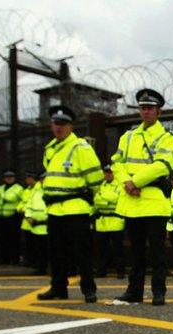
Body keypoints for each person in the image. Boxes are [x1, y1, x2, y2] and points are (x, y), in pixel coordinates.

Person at [110, 88, 173, 306]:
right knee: (136, 251)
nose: (146, 112)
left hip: (154, 202)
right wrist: (126, 182)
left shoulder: (167, 137)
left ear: (159, 111)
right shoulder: (128, 137)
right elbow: (116, 162)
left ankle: (159, 292)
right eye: (142, 108)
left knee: (157, 251)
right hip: (133, 201)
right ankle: (134, 291)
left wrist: (135, 181)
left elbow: (163, 166)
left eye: (150, 108)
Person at [36, 105, 104, 303]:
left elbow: (96, 179)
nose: (58, 128)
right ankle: (58, 288)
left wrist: (94, 204)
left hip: (76, 208)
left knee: (81, 253)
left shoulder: (80, 147)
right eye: (56, 124)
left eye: (63, 124)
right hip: (55, 209)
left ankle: (88, 289)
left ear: (71, 126)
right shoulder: (50, 148)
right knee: (56, 253)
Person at [92, 165, 126, 279]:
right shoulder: (101, 185)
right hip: (102, 222)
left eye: (109, 172)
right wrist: (106, 200)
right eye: (105, 172)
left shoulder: (119, 185)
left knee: (118, 249)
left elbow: (117, 198)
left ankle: (120, 271)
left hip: (116, 221)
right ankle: (101, 271)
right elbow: (96, 200)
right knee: (101, 249)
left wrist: (102, 197)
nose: (107, 174)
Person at [17, 171, 48, 275]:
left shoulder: (51, 190)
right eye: (42, 179)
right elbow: (29, 204)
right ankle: (40, 268)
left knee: (51, 248)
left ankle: (50, 268)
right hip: (35, 226)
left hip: (48, 225)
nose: (43, 180)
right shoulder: (35, 191)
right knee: (38, 248)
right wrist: (28, 216)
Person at [0, 169, 23, 265]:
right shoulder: (0, 188)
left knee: (14, 239)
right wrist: (3, 198)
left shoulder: (18, 188)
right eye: (7, 177)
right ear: (4, 178)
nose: (9, 179)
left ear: (14, 178)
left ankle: (15, 259)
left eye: (11, 177)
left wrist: (1, 197)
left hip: (13, 217)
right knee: (2, 239)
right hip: (1, 217)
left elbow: (11, 198)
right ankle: (4, 259)